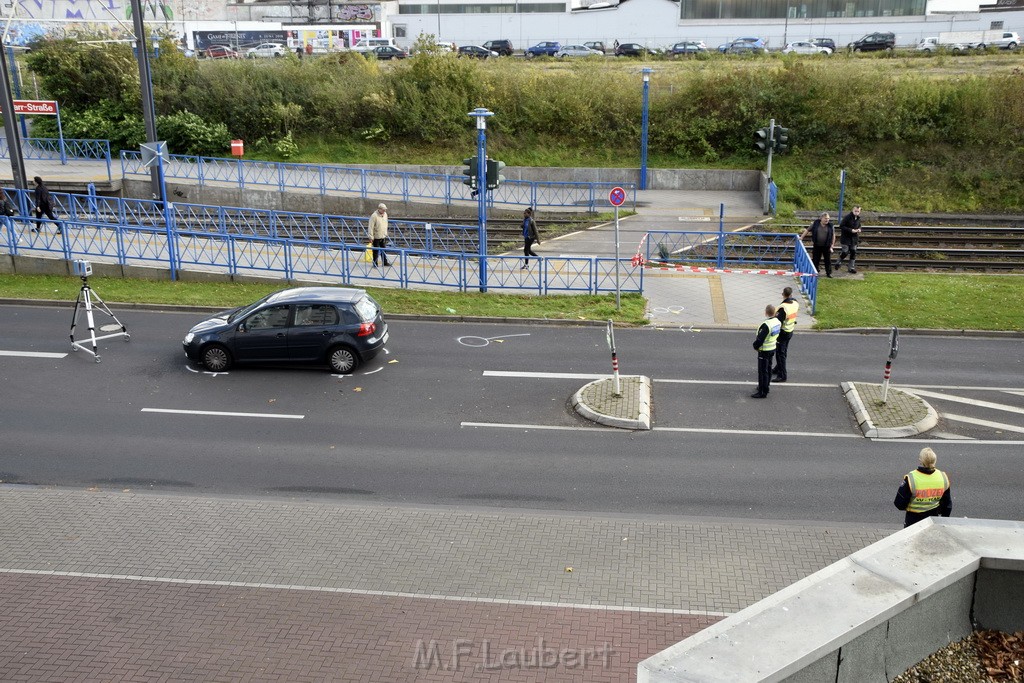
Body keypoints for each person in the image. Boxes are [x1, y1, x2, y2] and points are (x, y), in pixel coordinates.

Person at [894, 447, 952, 528]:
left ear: (920, 461)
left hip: (913, 520)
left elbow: (899, 504)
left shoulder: (911, 478)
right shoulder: (943, 477)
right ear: (935, 460)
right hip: (933, 519)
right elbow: (947, 505)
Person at [751, 304, 780, 399]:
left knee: (763, 371)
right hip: (772, 348)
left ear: (766, 313)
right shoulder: (777, 322)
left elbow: (760, 339)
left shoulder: (766, 325)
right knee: (768, 369)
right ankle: (766, 387)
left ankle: (762, 391)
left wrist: (755, 346)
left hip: (764, 350)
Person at [772, 286, 799, 383]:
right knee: (784, 351)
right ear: (791, 294)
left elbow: (778, 322)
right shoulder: (795, 303)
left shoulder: (783, 308)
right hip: (790, 330)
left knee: (780, 354)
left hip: (783, 332)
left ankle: (782, 375)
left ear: (783, 294)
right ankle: (777, 368)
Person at [799, 212, 834, 278]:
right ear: (821, 218)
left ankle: (828, 273)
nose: (827, 220)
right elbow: (807, 230)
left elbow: (833, 236)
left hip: (827, 245)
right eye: (825, 218)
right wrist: (802, 237)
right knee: (815, 259)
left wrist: (832, 245)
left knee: (827, 260)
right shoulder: (815, 224)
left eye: (828, 218)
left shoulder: (830, 225)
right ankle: (815, 272)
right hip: (817, 245)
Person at [835, 205, 862, 274]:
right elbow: (841, 226)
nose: (856, 212)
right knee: (845, 252)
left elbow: (859, 225)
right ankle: (838, 262)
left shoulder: (858, 218)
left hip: (854, 239)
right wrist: (850, 230)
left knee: (853, 252)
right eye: (855, 211)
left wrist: (859, 229)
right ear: (852, 210)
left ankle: (851, 267)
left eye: (858, 211)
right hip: (845, 238)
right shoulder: (847, 217)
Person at [368, 203, 390, 267]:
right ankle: (375, 263)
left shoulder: (385, 214)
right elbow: (371, 227)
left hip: (383, 235)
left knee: (384, 250)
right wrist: (371, 237)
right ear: (379, 209)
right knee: (375, 251)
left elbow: (386, 224)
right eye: (383, 210)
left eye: (385, 210)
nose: (384, 211)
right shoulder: (374, 216)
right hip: (376, 236)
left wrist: (386, 233)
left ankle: (385, 262)